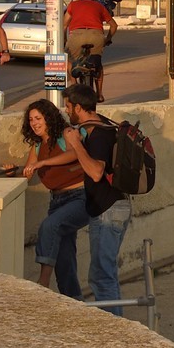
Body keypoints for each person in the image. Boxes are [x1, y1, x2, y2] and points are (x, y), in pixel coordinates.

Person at [8, 99, 90, 299]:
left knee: (49, 226)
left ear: (48, 118)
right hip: (57, 201)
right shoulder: (37, 145)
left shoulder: (66, 134)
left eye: (38, 118)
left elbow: (73, 155)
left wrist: (42, 163)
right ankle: (74, 304)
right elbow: (26, 176)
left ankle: (43, 281)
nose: (34, 123)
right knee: (64, 261)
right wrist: (13, 172)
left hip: (80, 197)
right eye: (31, 120)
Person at [61, 85, 131, 314]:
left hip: (108, 211)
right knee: (103, 273)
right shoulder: (101, 124)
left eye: (68, 106)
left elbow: (96, 172)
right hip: (109, 208)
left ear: (78, 107)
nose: (66, 110)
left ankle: (115, 336)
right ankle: (118, 329)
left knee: (102, 276)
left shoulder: (100, 135)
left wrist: (76, 144)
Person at [65, 0, 119, 102]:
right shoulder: (99, 6)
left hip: (76, 36)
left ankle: (74, 88)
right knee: (97, 63)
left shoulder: (73, 5)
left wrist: (65, 41)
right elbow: (114, 26)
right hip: (96, 36)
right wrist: (107, 39)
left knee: (69, 60)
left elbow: (64, 25)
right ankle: (99, 94)